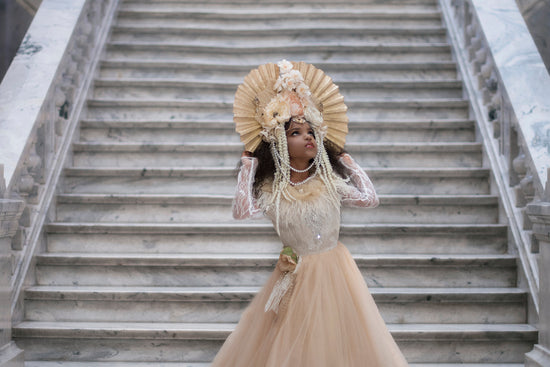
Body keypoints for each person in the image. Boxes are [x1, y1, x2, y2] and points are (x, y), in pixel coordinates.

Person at [211, 60, 409, 366]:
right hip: (296, 274)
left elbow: (369, 199)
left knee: (335, 339)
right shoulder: (272, 188)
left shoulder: (328, 181)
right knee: (294, 342)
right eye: (295, 132)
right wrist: (247, 169)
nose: (308, 137)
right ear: (278, 142)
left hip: (335, 269)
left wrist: (349, 163)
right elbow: (242, 211)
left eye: (310, 131)